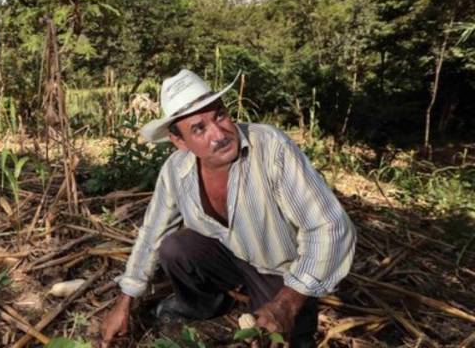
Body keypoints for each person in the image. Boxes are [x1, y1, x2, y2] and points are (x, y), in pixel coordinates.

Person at [100, 69, 355, 347]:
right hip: (227, 256)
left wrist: (288, 301)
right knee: (175, 248)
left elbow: (329, 225)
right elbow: (153, 232)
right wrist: (124, 302)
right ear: (179, 142)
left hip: (277, 270)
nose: (219, 134)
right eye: (199, 128)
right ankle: (202, 305)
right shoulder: (176, 170)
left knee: (284, 337)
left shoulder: (270, 147)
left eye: (219, 115)